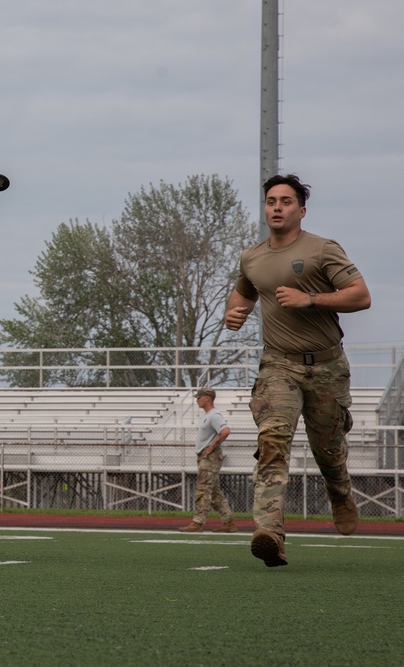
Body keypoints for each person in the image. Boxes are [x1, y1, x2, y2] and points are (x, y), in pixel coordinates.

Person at [226, 174, 371, 567]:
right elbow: (245, 290)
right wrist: (233, 313)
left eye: (286, 201)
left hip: (326, 365)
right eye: (271, 201)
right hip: (278, 364)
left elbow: (361, 296)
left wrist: (310, 299)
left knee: (329, 451)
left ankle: (340, 493)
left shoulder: (323, 249)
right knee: (272, 442)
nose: (277, 207)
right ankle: (270, 533)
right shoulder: (252, 257)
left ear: (301, 210)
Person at [178, 387, 236, 534]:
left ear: (207, 398)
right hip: (207, 457)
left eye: (199, 397)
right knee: (215, 492)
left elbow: (225, 431)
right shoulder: (208, 415)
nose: (197, 400)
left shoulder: (214, 415)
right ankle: (228, 522)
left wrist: (211, 447)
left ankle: (197, 522)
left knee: (203, 490)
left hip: (210, 458)